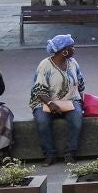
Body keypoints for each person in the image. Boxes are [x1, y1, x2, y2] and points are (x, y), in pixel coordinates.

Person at [30, 34, 87, 165]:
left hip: (70, 101)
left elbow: (80, 82)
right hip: (45, 102)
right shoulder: (45, 65)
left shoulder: (73, 62)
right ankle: (49, 154)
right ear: (64, 51)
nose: (74, 48)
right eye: (71, 46)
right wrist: (50, 104)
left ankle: (70, 153)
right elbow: (38, 90)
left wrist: (81, 100)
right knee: (42, 121)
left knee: (77, 119)